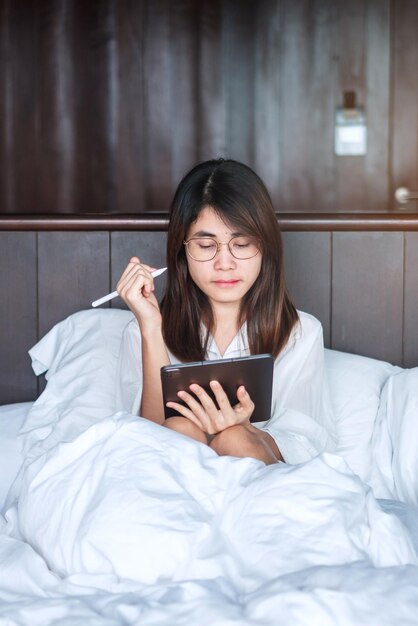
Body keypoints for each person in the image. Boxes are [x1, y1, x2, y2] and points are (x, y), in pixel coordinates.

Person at [115, 158, 336, 465]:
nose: (225, 263)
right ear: (183, 250)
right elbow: (151, 444)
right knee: (179, 428)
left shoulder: (301, 332)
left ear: (266, 245)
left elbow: (302, 445)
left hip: (265, 485)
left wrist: (241, 431)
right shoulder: (142, 331)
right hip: (174, 484)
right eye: (206, 246)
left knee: (233, 438)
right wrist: (151, 328)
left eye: (241, 243)